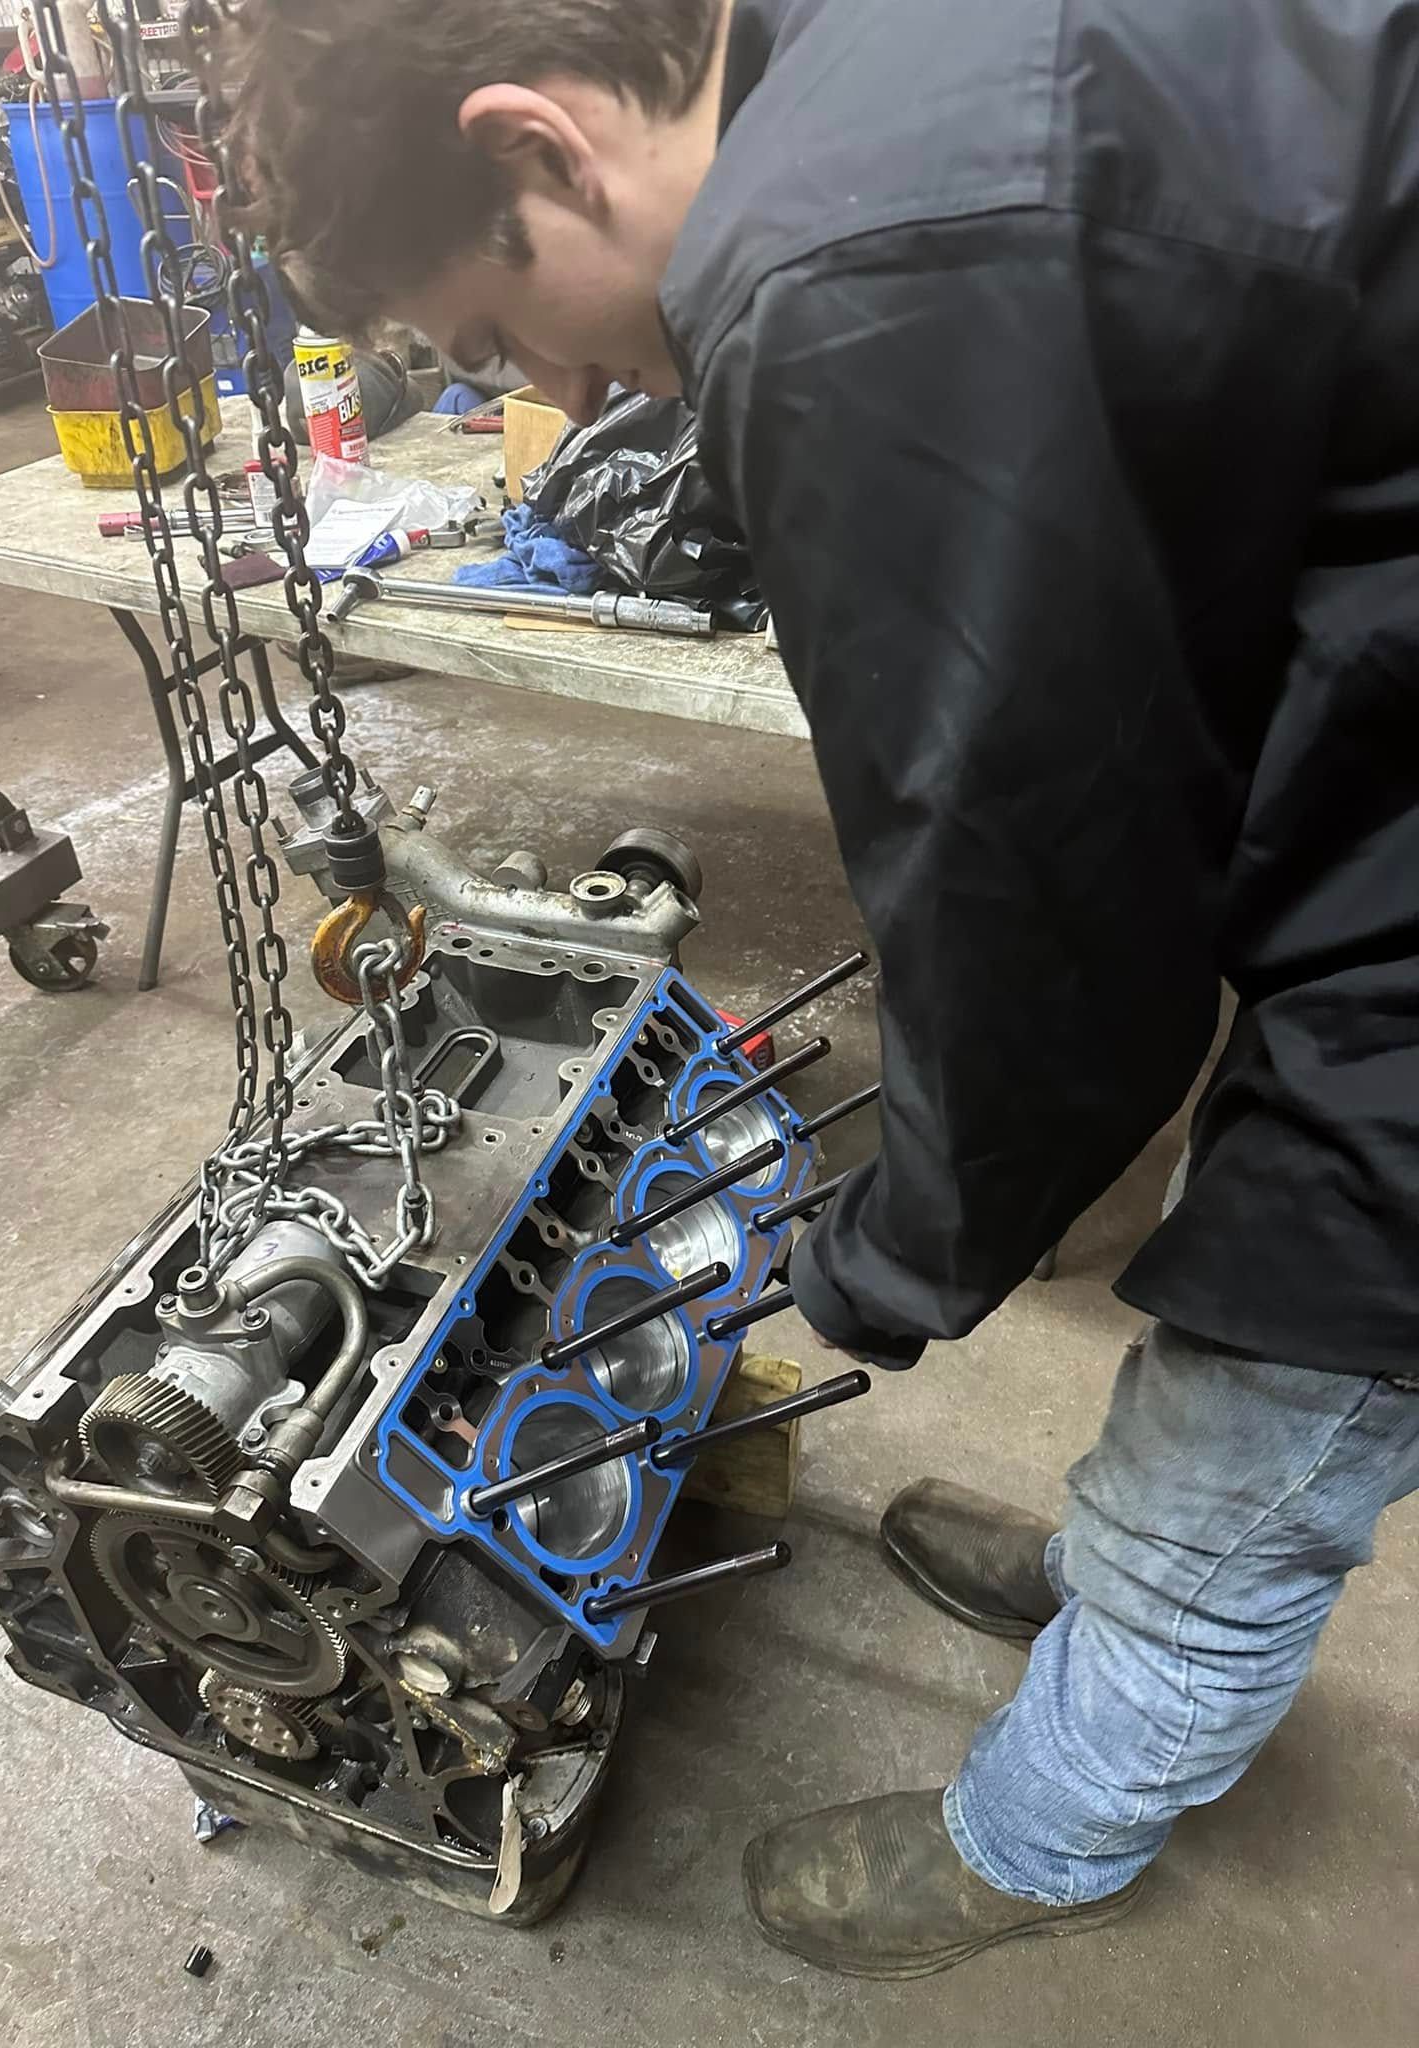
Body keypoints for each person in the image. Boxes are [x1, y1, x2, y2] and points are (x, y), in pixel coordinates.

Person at [223, 0, 1419, 1981]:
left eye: (505, 338)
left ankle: (1050, 1817)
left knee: (1299, 1338)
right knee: (1265, 1273)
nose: (563, 388)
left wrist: (864, 1259)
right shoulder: (870, 63)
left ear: (537, 146)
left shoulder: (853, 256)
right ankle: (1108, 1561)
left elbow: (1037, 905)